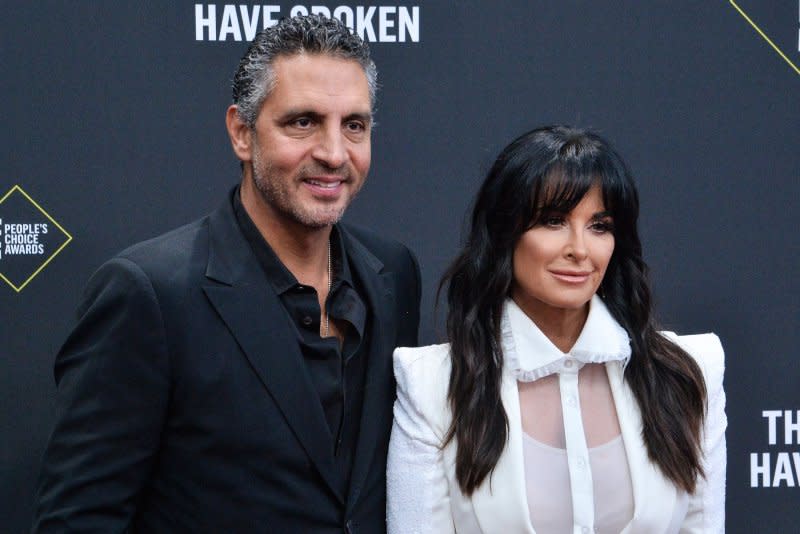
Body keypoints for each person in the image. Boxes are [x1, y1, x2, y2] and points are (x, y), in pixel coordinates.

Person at [32, 14, 420, 533]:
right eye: (302, 122)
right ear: (242, 132)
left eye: (354, 125)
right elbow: (79, 521)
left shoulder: (392, 273)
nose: (333, 153)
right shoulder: (150, 294)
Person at [387, 126, 726, 533]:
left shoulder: (690, 374)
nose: (580, 249)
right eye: (553, 221)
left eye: (599, 226)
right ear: (505, 233)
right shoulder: (431, 385)